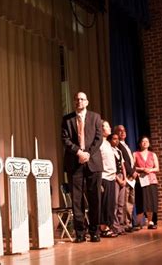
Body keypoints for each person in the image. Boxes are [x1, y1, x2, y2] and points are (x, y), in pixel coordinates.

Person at [62, 92, 103, 243]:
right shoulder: (67, 119)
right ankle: (80, 232)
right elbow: (65, 139)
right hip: (74, 162)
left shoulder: (95, 117)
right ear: (74, 102)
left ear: (87, 102)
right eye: (77, 99)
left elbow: (99, 139)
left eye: (82, 99)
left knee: (94, 198)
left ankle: (94, 231)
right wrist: (79, 152)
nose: (79, 101)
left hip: (93, 161)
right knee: (77, 199)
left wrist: (87, 154)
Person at [113, 125, 139, 232]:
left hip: (131, 177)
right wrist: (131, 172)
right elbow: (123, 162)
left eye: (124, 130)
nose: (122, 132)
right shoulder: (118, 145)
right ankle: (124, 223)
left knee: (130, 202)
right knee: (124, 202)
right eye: (119, 131)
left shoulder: (126, 145)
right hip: (126, 177)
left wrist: (134, 171)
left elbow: (131, 161)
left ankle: (129, 222)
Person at [134, 136, 159, 230]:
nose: (145, 143)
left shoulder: (153, 154)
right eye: (143, 141)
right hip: (141, 180)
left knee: (150, 201)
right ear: (140, 143)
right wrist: (141, 169)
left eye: (147, 141)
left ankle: (150, 222)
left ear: (149, 143)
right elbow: (133, 167)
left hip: (151, 180)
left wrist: (150, 169)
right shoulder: (135, 154)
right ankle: (139, 222)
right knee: (141, 200)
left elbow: (157, 168)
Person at [99, 121, 118, 238]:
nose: (110, 128)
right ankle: (103, 228)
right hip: (104, 177)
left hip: (111, 177)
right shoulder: (99, 143)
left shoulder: (107, 143)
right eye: (107, 126)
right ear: (101, 128)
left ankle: (108, 226)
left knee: (111, 204)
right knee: (105, 204)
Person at [109, 133, 127, 235]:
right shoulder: (109, 151)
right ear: (110, 140)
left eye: (117, 139)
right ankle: (115, 226)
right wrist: (118, 179)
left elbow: (123, 166)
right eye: (114, 139)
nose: (116, 141)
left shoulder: (119, 151)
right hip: (114, 177)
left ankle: (121, 225)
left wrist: (124, 179)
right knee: (115, 203)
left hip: (121, 176)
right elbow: (111, 166)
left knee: (121, 203)